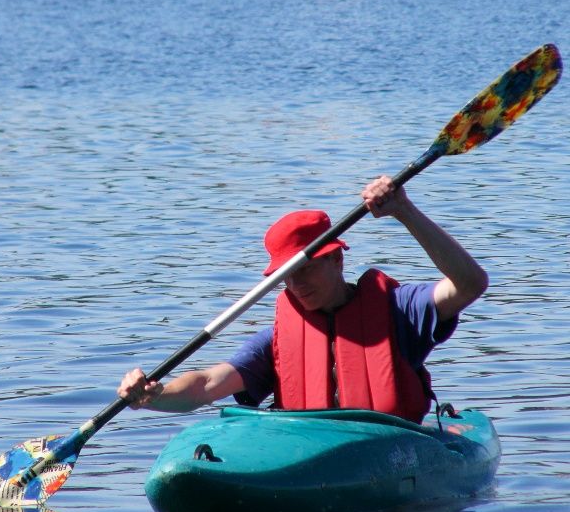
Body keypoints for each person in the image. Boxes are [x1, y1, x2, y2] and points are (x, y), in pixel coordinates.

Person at [117, 176, 488, 423]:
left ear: (337, 259)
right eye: (285, 275)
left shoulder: (398, 309)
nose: (295, 283)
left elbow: (470, 283)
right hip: (312, 453)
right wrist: (154, 395)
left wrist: (405, 213)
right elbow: (207, 383)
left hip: (393, 449)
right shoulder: (276, 341)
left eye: (305, 269)